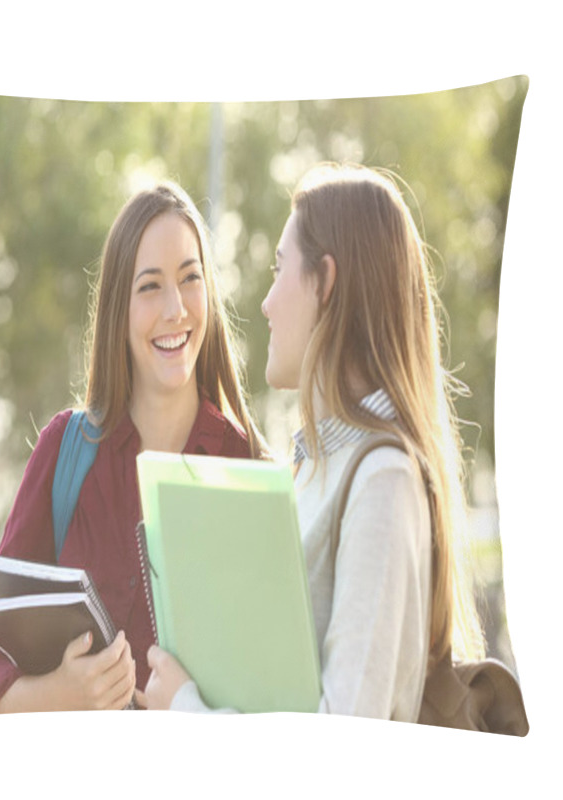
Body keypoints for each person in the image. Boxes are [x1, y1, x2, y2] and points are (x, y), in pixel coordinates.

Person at [144, 162, 486, 722]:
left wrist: (187, 709)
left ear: (325, 282)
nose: (266, 303)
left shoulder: (383, 480)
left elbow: (341, 743)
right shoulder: (317, 466)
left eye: (281, 270)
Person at [0, 180, 266, 715]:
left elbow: (271, 692)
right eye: (150, 286)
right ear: (117, 310)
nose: (175, 309)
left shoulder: (247, 468)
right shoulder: (65, 451)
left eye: (190, 278)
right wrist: (54, 696)